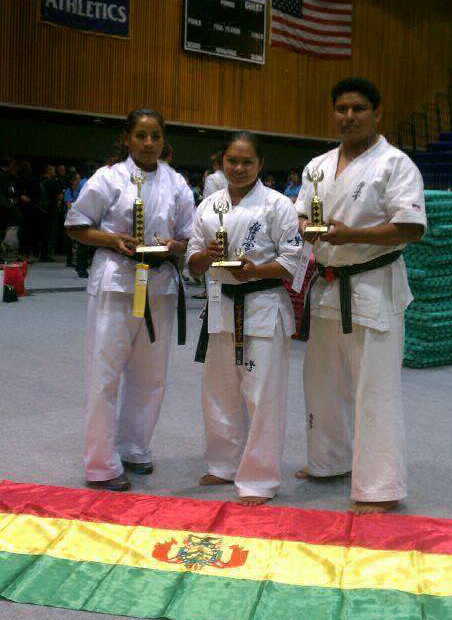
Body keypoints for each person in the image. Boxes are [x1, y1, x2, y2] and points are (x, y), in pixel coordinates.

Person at [295, 77, 426, 515]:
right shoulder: (317, 165)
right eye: (342, 108)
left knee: (375, 389)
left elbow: (410, 227)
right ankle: (329, 461)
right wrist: (303, 229)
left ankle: (380, 486)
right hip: (329, 285)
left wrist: (350, 233)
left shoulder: (395, 164)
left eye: (358, 109)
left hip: (373, 285)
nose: (348, 116)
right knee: (322, 382)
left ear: (377, 113)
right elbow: (302, 216)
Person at [65, 108, 195, 491]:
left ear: (163, 139)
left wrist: (177, 245)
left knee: (151, 375)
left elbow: (188, 233)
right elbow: (76, 225)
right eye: (141, 135)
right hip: (117, 281)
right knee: (104, 374)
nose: (149, 143)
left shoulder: (176, 182)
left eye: (155, 135)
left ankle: (134, 446)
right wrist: (111, 239)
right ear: (127, 138)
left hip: (158, 284)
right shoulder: (109, 177)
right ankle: (101, 464)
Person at [188, 131, 302, 505]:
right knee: (218, 391)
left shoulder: (278, 204)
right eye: (231, 161)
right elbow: (192, 263)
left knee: (262, 395)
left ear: (260, 165)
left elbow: (292, 263)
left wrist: (255, 270)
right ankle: (222, 464)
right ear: (221, 161)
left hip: (262, 305)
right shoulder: (208, 206)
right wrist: (207, 254)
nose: (238, 168)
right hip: (221, 304)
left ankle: (259, 479)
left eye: (247, 162)